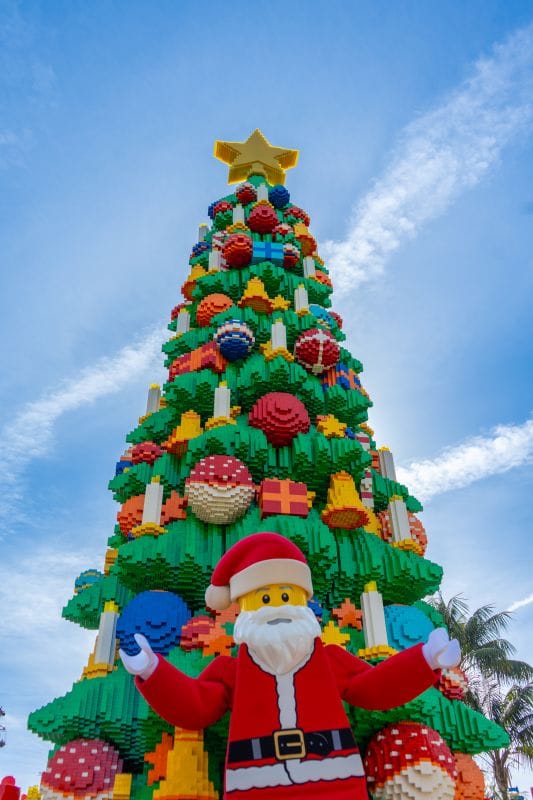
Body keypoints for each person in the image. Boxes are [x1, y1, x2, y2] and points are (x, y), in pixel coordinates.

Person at [120, 532, 460, 799]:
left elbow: (374, 687)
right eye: (264, 599)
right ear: (245, 608)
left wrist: (424, 660)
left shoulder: (330, 661)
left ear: (301, 601)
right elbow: (196, 706)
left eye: (286, 597)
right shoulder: (230, 672)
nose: (277, 608)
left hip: (335, 784)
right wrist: (153, 671)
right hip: (255, 787)